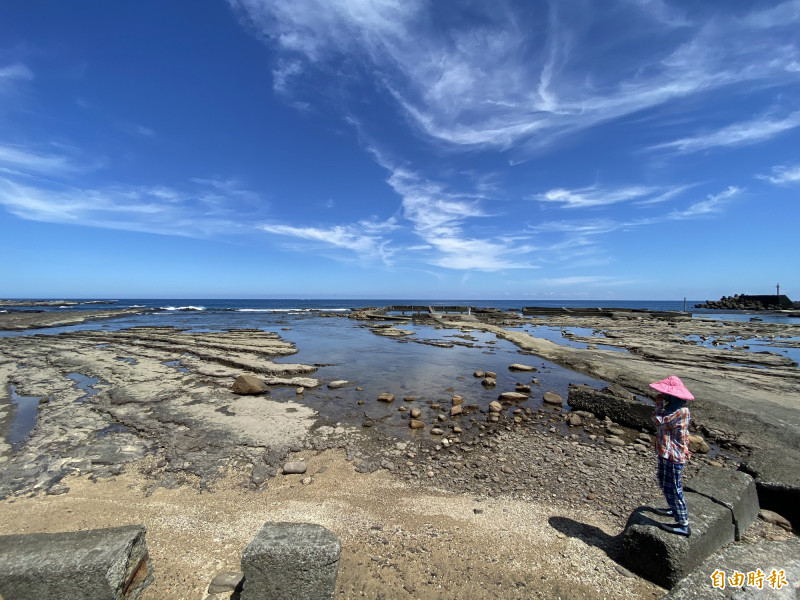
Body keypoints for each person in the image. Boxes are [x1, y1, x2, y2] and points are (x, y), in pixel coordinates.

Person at [649, 375, 694, 537]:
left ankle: (683, 524)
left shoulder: (681, 411)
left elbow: (660, 422)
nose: (664, 396)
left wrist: (658, 405)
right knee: (663, 480)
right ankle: (672, 509)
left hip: (674, 455)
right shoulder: (671, 408)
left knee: (674, 487)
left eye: (666, 394)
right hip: (665, 452)